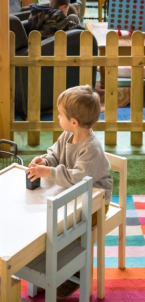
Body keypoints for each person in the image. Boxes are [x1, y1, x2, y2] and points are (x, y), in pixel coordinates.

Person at [26, 84, 113, 299]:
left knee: (67, 232)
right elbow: (54, 155)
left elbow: (78, 179)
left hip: (95, 202)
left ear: (74, 122)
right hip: (72, 197)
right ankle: (49, 268)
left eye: (60, 115)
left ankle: (73, 276)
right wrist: (45, 160)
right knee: (48, 221)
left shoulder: (91, 148)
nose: (57, 118)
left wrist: (49, 171)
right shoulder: (67, 135)